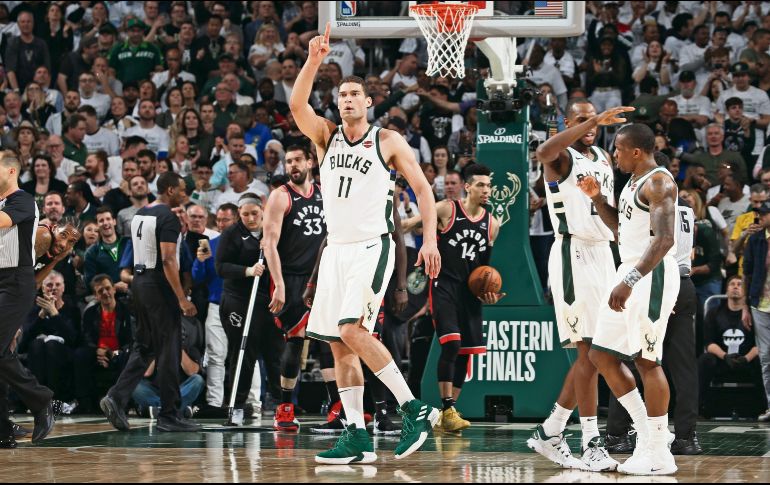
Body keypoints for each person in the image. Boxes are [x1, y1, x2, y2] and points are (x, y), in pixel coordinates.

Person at [290, 23, 441, 464]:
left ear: (369, 102)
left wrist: (429, 240)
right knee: (339, 345)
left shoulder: (387, 140)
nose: (347, 100)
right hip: (335, 250)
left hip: (371, 246)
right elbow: (297, 104)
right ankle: (356, 434)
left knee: (352, 330)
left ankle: (413, 407)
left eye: (355, 94)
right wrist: (313, 60)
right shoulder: (325, 136)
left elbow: (423, 190)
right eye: (342, 95)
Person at [522, 100, 630, 471]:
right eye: (582, 119)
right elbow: (542, 151)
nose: (591, 126)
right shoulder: (561, 156)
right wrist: (593, 119)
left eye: (595, 120)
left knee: (598, 353)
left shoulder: (603, 155)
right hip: (574, 253)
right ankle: (590, 442)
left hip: (603, 254)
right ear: (568, 122)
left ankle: (550, 431)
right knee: (590, 354)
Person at [579, 123, 680, 475]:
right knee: (600, 355)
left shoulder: (659, 182)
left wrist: (632, 280)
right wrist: (597, 199)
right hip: (628, 269)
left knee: (647, 360)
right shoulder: (634, 183)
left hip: (650, 274)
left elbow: (664, 239)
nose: (615, 155)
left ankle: (659, 453)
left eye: (618, 149)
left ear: (636, 151)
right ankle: (649, 435)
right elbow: (621, 230)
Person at [402, 163, 502, 431]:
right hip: (443, 285)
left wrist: (488, 293)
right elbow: (412, 224)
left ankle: (450, 412)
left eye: (489, 185)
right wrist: (390, 227)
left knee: (466, 352)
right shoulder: (447, 209)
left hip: (468, 294)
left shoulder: (492, 224)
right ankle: (446, 407)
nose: (486, 190)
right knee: (452, 345)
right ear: (467, 187)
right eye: (480, 185)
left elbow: (484, 269)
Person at [99, 171, 200, 433]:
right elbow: (168, 259)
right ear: (169, 190)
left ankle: (116, 397)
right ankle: (169, 414)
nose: (184, 194)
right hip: (159, 286)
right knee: (169, 350)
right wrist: (182, 298)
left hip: (140, 284)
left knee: (145, 347)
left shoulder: (141, 213)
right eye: (181, 189)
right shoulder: (168, 217)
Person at [261, 145, 326, 431]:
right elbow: (269, 244)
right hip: (291, 277)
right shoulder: (280, 196)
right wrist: (279, 285)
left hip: (323, 276)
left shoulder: (324, 193)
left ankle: (337, 408)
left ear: (310, 162)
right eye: (288, 161)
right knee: (296, 338)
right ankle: (285, 406)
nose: (293, 165)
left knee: (330, 340)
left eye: (298, 160)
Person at [0, 151, 56, 448]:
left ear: (11, 171)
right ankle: (2, 426)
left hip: (15, 281)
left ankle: (41, 399)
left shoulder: (22, 200)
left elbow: (3, 221)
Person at [215, 193, 284, 425]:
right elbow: (221, 267)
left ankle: (282, 405)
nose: (251, 218)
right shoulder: (231, 234)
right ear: (239, 214)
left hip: (268, 300)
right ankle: (236, 406)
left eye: (255, 213)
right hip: (239, 300)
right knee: (243, 353)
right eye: (245, 214)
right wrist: (248, 270)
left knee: (275, 354)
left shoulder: (272, 230)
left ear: (263, 210)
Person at [699, 276, 764, 419]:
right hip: (722, 360)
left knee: (762, 361)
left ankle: (764, 407)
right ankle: (699, 408)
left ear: (745, 291)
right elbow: (709, 344)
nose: (735, 286)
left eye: (739, 284)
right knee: (705, 360)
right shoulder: (714, 313)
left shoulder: (754, 314)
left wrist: (746, 359)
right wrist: (725, 356)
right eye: (732, 284)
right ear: (726, 290)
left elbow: (761, 344)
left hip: (747, 360)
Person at [742, 200, 770, 422]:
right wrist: (745, 306)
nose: (761, 217)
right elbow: (746, 273)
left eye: (765, 213)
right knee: (766, 356)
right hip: (760, 303)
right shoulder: (756, 240)